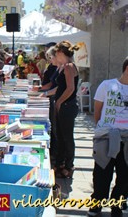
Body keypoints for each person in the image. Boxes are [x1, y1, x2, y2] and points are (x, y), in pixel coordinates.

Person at [87, 57, 128, 217]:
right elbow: (97, 111)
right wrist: (102, 129)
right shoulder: (107, 85)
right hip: (106, 136)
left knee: (125, 175)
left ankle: (117, 202)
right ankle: (96, 202)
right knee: (102, 172)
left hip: (127, 138)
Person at [53, 40, 79, 178]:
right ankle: (61, 163)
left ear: (61, 52)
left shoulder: (69, 66)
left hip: (67, 106)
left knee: (67, 137)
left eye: (56, 53)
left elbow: (70, 88)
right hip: (65, 105)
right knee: (62, 136)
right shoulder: (65, 66)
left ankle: (69, 165)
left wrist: (60, 102)